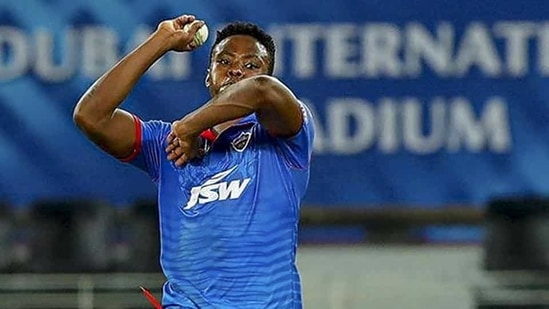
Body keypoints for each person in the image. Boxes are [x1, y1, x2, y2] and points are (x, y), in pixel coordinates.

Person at [73, 14, 314, 308]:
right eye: (224, 62)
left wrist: (189, 126)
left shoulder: (285, 137)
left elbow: (262, 90)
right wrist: (159, 42)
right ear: (208, 75)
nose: (236, 70)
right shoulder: (168, 145)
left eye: (251, 65)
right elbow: (91, 116)